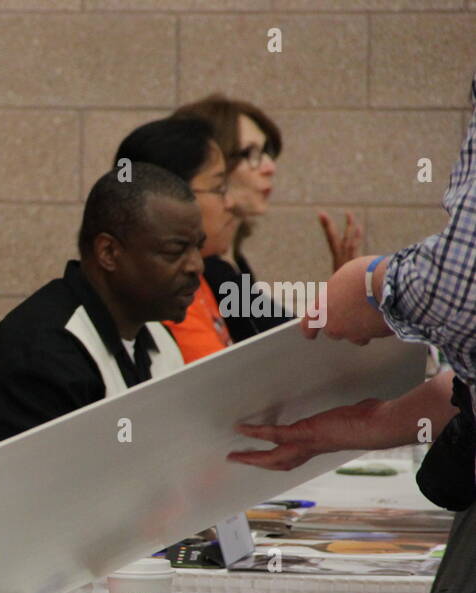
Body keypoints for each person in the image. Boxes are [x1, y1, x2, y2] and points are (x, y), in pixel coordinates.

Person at [232, 73, 476, 472]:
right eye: (251, 153)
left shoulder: (230, 272)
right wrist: (366, 289)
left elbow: (456, 290)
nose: (270, 168)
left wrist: (368, 285)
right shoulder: (206, 279)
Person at [0, 163, 196, 456]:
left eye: (198, 247)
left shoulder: (159, 337)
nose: (196, 265)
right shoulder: (41, 352)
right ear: (108, 252)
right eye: (175, 251)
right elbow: (37, 495)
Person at [173, 94, 362, 330]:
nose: (269, 167)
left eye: (266, 152)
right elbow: (285, 345)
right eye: (251, 154)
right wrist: (340, 300)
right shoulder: (204, 268)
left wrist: (341, 294)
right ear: (212, 164)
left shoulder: (231, 260)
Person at [114, 116, 240, 362]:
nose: (231, 203)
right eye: (219, 188)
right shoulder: (159, 292)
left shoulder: (210, 272)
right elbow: (229, 390)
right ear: (169, 199)